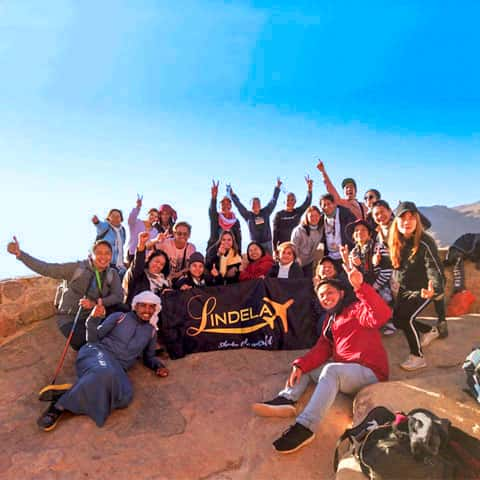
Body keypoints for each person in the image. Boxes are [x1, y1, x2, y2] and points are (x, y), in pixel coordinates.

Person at [252, 263, 391, 454]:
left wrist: (360, 287)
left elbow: (382, 315)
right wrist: (300, 366)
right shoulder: (330, 321)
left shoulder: (357, 309)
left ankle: (305, 427)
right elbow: (322, 349)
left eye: (329, 293)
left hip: (370, 372)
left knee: (330, 369)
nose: (325, 297)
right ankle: (286, 399)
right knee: (309, 367)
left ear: (342, 293)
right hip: (346, 374)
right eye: (322, 295)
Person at [36, 291, 169, 431]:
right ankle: (59, 406)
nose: (147, 310)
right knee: (105, 372)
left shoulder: (151, 332)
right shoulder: (120, 317)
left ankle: (77, 389)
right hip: (97, 352)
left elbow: (149, 357)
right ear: (135, 306)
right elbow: (94, 338)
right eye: (143, 306)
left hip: (118, 366)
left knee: (124, 398)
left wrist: (157, 366)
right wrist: (92, 319)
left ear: (156, 309)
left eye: (151, 307)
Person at [7, 236, 123, 351]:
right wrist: (21, 255)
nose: (103, 257)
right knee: (84, 343)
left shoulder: (112, 274)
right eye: (99, 253)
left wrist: (96, 303)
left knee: (121, 315)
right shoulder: (77, 268)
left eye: (107, 253)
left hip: (94, 316)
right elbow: (47, 269)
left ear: (111, 256)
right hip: (71, 318)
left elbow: (118, 296)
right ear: (91, 254)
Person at [388, 201, 447, 371]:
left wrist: (434, 289)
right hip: (405, 288)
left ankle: (417, 356)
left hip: (424, 289)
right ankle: (431, 330)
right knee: (397, 320)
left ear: (417, 221)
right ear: (396, 222)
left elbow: (434, 269)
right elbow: (395, 263)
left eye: (411, 218)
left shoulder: (425, 242)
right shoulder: (395, 241)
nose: (407, 222)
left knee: (406, 319)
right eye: (402, 218)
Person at [343, 219, 393, 305]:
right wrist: (348, 261)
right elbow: (353, 277)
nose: (360, 232)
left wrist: (373, 288)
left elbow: (387, 272)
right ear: (353, 236)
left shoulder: (379, 248)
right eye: (356, 230)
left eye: (363, 230)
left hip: (380, 287)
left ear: (369, 234)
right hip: (363, 288)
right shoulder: (353, 254)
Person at [230, 178, 282, 254]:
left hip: (267, 243)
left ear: (260, 205)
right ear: (250, 206)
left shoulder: (266, 211)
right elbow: (239, 205)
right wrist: (233, 195)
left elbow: (273, 201)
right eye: (253, 203)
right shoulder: (248, 215)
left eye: (257, 203)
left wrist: (277, 187)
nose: (255, 205)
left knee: (269, 263)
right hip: (255, 244)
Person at [123, 232, 171, 305]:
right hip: (134, 312)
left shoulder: (165, 283)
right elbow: (138, 263)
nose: (158, 265)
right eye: (156, 261)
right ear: (149, 260)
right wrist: (142, 243)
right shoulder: (138, 275)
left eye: (162, 264)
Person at [272, 176, 313, 252]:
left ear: (295, 201)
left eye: (292, 200)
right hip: (283, 247)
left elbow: (307, 203)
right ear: (284, 201)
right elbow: (274, 233)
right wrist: (274, 250)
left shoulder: (297, 212)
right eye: (288, 200)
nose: (290, 202)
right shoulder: (278, 215)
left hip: (296, 245)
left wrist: (309, 190)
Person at [319, 193, 356, 267]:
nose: (326, 207)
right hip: (329, 256)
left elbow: (355, 230)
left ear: (334, 204)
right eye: (324, 205)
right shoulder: (320, 218)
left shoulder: (346, 213)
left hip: (345, 255)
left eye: (329, 204)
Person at [208, 180, 242, 252]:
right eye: (223, 204)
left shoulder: (235, 221)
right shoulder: (216, 217)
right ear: (220, 206)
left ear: (231, 206)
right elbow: (212, 210)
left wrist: (239, 252)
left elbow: (238, 238)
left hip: (231, 253)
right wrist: (213, 198)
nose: (225, 206)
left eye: (228, 204)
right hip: (215, 251)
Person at [290, 206, 324, 278]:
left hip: (309, 261)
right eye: (311, 216)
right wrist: (296, 260)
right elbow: (293, 246)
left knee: (308, 282)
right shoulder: (299, 230)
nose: (314, 218)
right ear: (307, 217)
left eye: (316, 216)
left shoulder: (320, 229)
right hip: (297, 261)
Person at [91, 209, 126, 275]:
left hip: (119, 266)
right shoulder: (106, 226)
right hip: (106, 263)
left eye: (118, 216)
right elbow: (100, 226)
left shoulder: (122, 231)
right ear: (109, 218)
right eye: (113, 216)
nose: (115, 218)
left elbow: (121, 248)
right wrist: (97, 222)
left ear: (121, 219)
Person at [126, 195, 159, 264]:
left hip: (145, 257)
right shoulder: (137, 222)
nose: (153, 217)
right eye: (152, 214)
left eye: (156, 216)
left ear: (157, 219)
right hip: (132, 254)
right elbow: (130, 218)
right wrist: (138, 207)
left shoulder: (155, 231)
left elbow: (151, 245)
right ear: (147, 214)